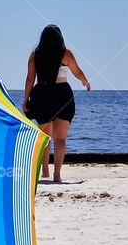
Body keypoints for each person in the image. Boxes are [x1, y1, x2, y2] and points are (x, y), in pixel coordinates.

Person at [23, 24, 91, 182]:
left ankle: (45, 169)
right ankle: (57, 175)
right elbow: (77, 71)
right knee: (60, 139)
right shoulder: (65, 53)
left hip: (42, 94)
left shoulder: (35, 55)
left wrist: (26, 99)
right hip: (62, 95)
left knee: (45, 136)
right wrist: (85, 81)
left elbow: (30, 79)